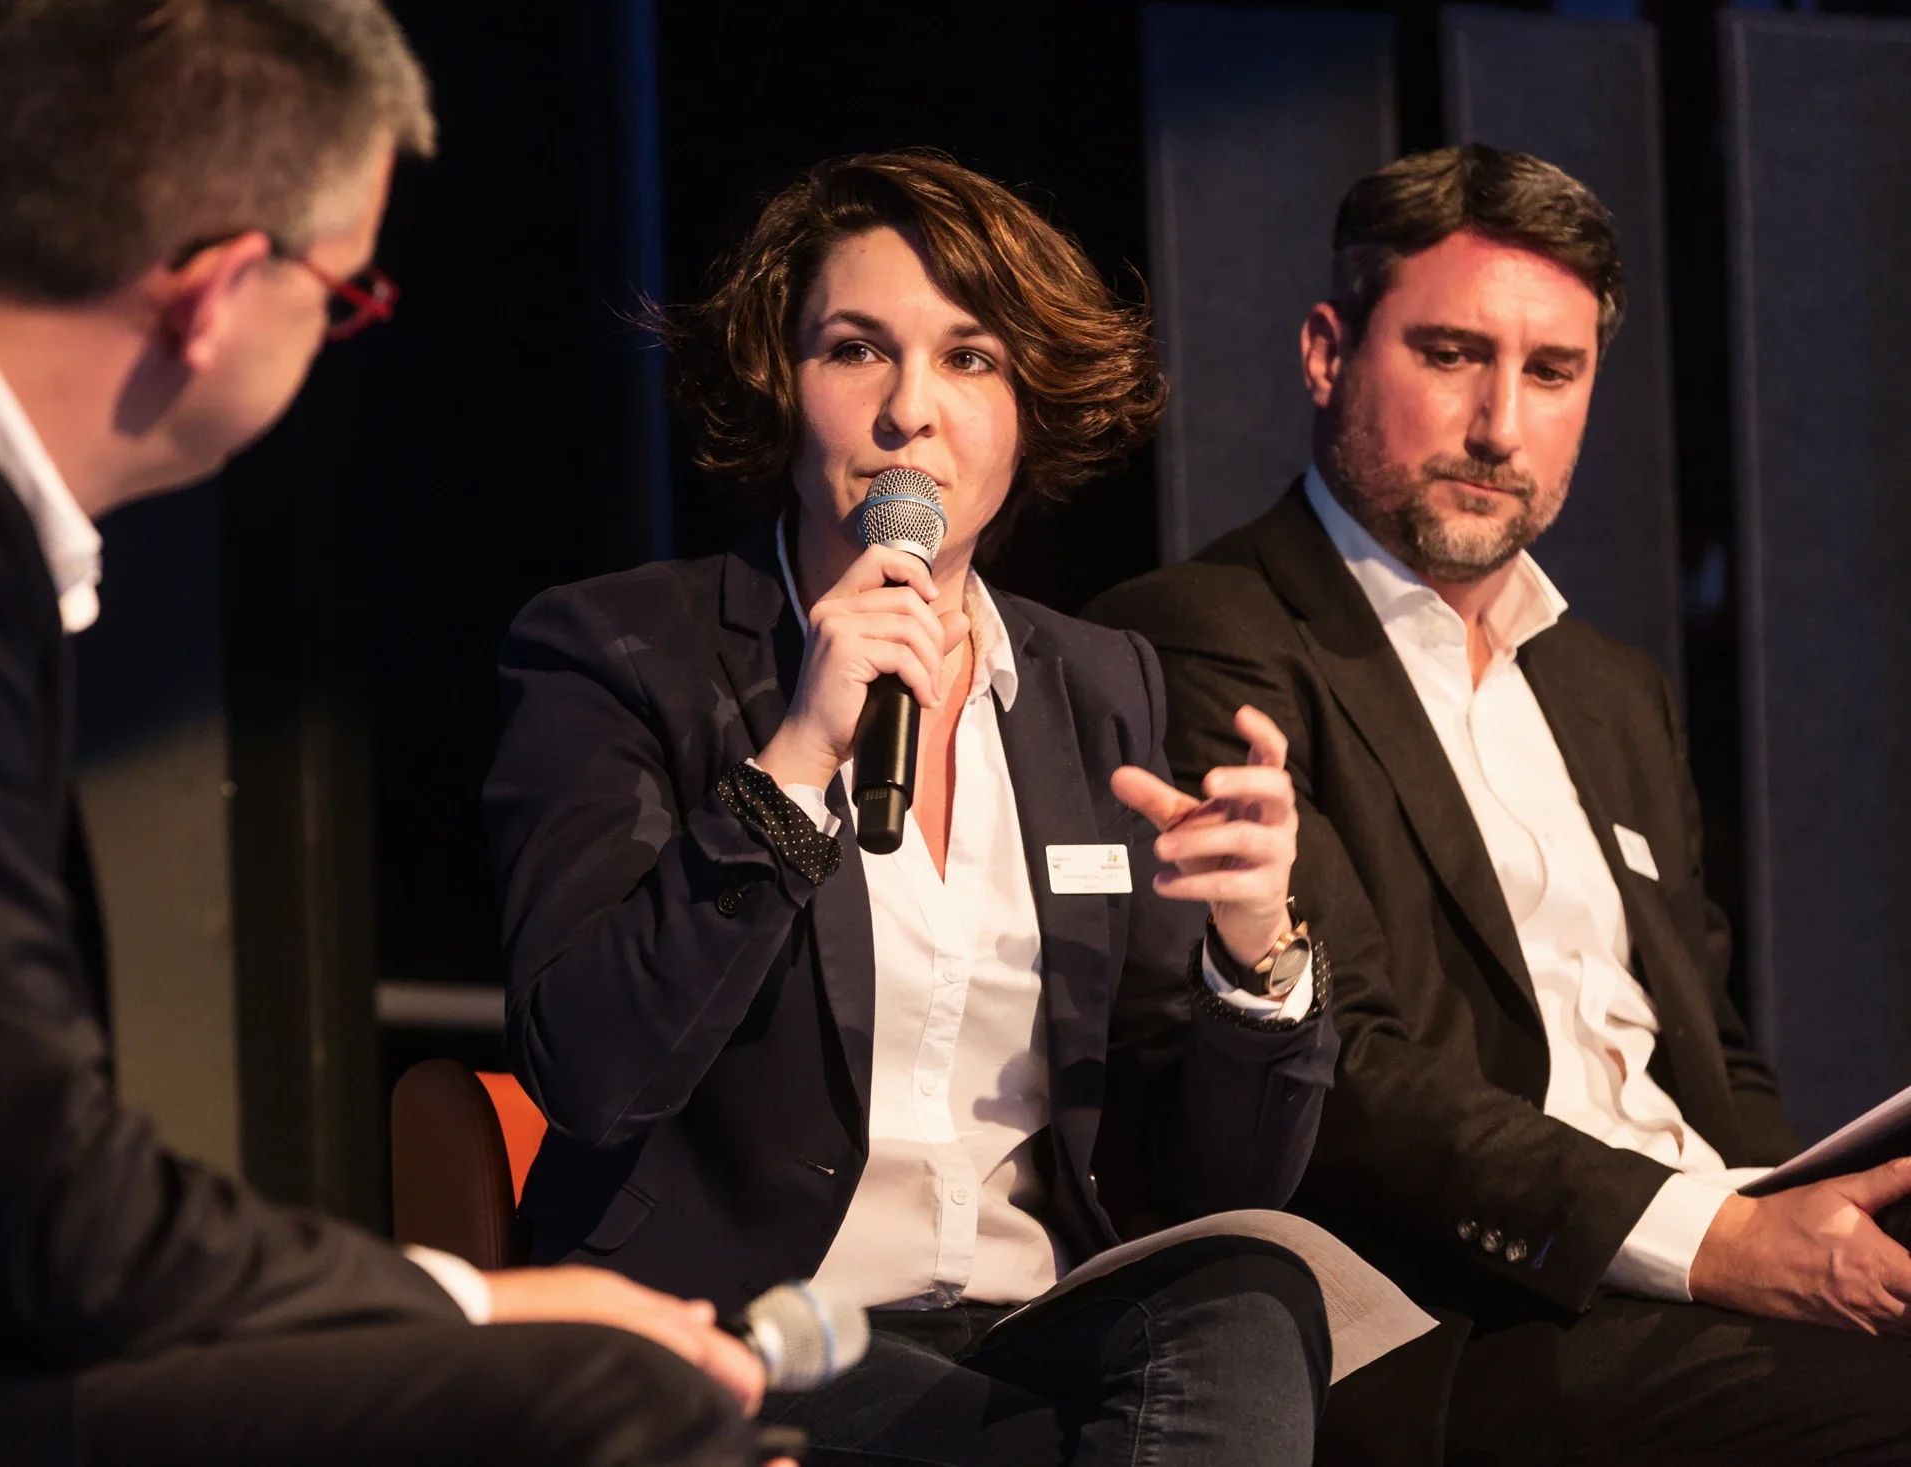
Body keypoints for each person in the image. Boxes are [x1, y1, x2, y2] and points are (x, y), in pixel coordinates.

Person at [0, 4, 775, 1464]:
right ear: (215, 294)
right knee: (615, 1398)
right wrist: (472, 1301)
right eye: (345, 296)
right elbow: (44, 1218)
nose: (337, 334)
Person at [483, 150, 1339, 1467]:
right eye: (856, 351)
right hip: (756, 1329)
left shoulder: (1099, 685)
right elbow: (592, 1070)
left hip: (1028, 1326)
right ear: (781, 386)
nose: (910, 413)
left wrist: (1252, 958)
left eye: (970, 359)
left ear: (1028, 409)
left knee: (1253, 1301)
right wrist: (792, 766)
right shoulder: (621, 653)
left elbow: (1214, 1184)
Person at [1088, 143, 1911, 1465]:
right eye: (1452, 354)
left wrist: (1820, 1212)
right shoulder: (1202, 637)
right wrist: (1719, 1241)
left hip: (1700, 1273)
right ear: (1327, 354)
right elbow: (1343, 1075)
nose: (1498, 427)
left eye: (1551, 372)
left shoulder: (1612, 688)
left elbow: (1712, 1056)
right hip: (1473, 1317)